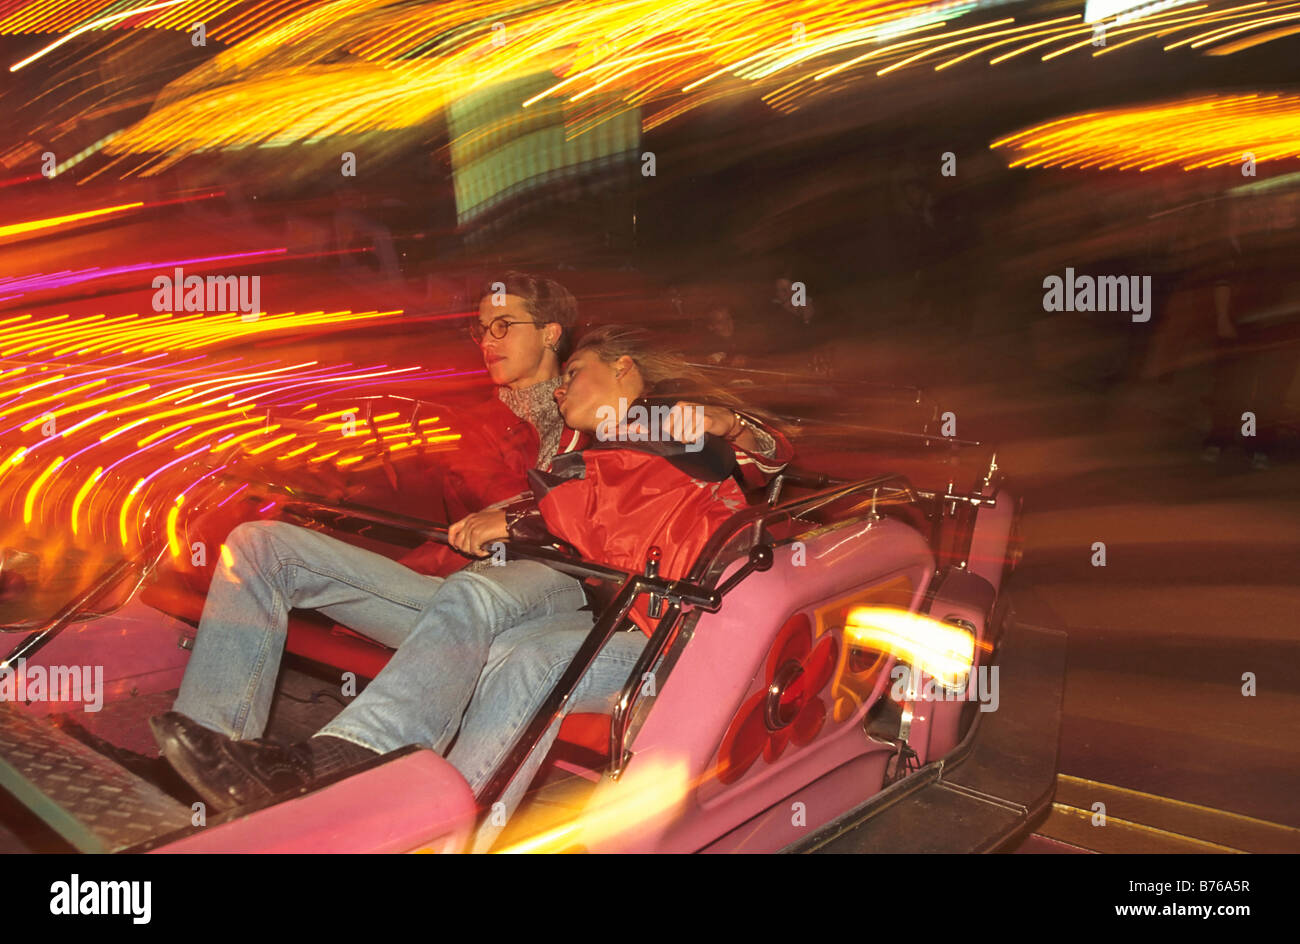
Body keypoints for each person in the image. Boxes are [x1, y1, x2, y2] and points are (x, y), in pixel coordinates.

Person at [151, 326, 792, 850]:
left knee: (523, 651)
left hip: (674, 630)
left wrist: (735, 427)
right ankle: (213, 770)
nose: (564, 386)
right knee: (265, 546)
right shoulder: (586, 451)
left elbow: (758, 454)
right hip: (542, 602)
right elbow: (567, 502)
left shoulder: (656, 430)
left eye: (576, 374)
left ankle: (377, 786)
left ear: (624, 369)